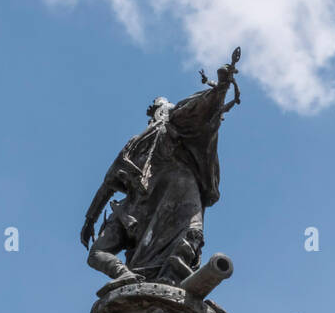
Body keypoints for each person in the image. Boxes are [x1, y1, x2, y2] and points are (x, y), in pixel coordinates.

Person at [80, 53, 241, 286]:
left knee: (99, 253)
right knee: (184, 240)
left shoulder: (144, 140)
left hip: (160, 197)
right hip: (157, 200)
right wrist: (221, 88)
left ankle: (131, 274)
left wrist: (90, 220)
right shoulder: (151, 137)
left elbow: (107, 184)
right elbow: (202, 112)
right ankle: (138, 274)